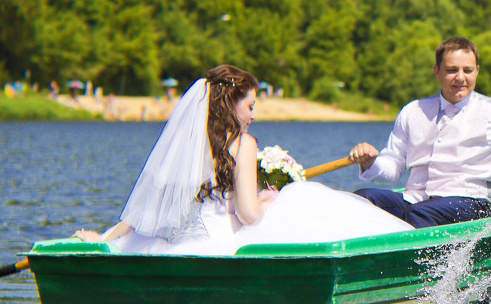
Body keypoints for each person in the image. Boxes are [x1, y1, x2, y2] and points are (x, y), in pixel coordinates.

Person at [75, 64, 410, 254]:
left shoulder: (185, 146)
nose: (252, 116)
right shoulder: (243, 143)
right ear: (229, 104)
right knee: (300, 198)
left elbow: (148, 207)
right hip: (215, 244)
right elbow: (249, 216)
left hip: (168, 244)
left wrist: (107, 238)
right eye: (249, 106)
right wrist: (266, 198)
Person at [348, 37, 491, 229]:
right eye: (452, 70)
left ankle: (412, 268)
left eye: (468, 71)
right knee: (362, 199)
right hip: (416, 200)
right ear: (437, 71)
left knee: (420, 214)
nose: (460, 78)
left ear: (477, 71)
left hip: (473, 203)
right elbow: (393, 167)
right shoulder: (412, 111)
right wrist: (370, 162)